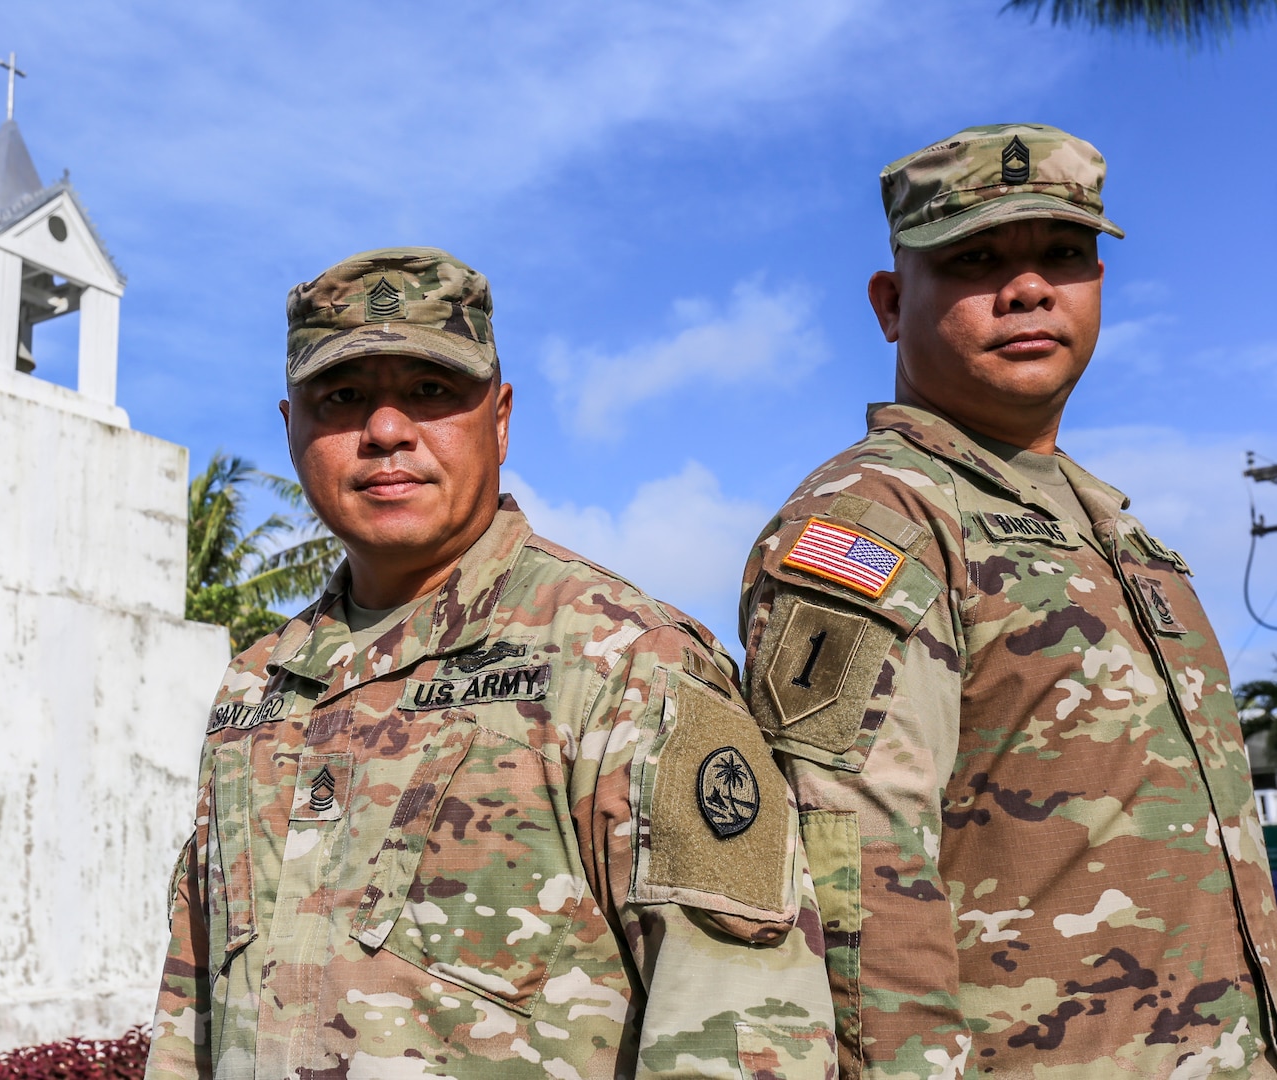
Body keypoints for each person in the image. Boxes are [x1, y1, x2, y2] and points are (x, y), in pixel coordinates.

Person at [146, 247, 835, 1079]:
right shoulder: (256, 688)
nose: (386, 431)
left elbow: (742, 1034)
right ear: (291, 429)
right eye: (344, 398)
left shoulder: (621, 659)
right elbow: (189, 1018)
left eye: (431, 392)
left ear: (500, 419)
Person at [738, 124, 1277, 1078]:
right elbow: (850, 875)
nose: (1028, 287)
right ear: (892, 303)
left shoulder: (1118, 531)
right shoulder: (880, 522)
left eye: (1063, 255)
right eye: (976, 258)